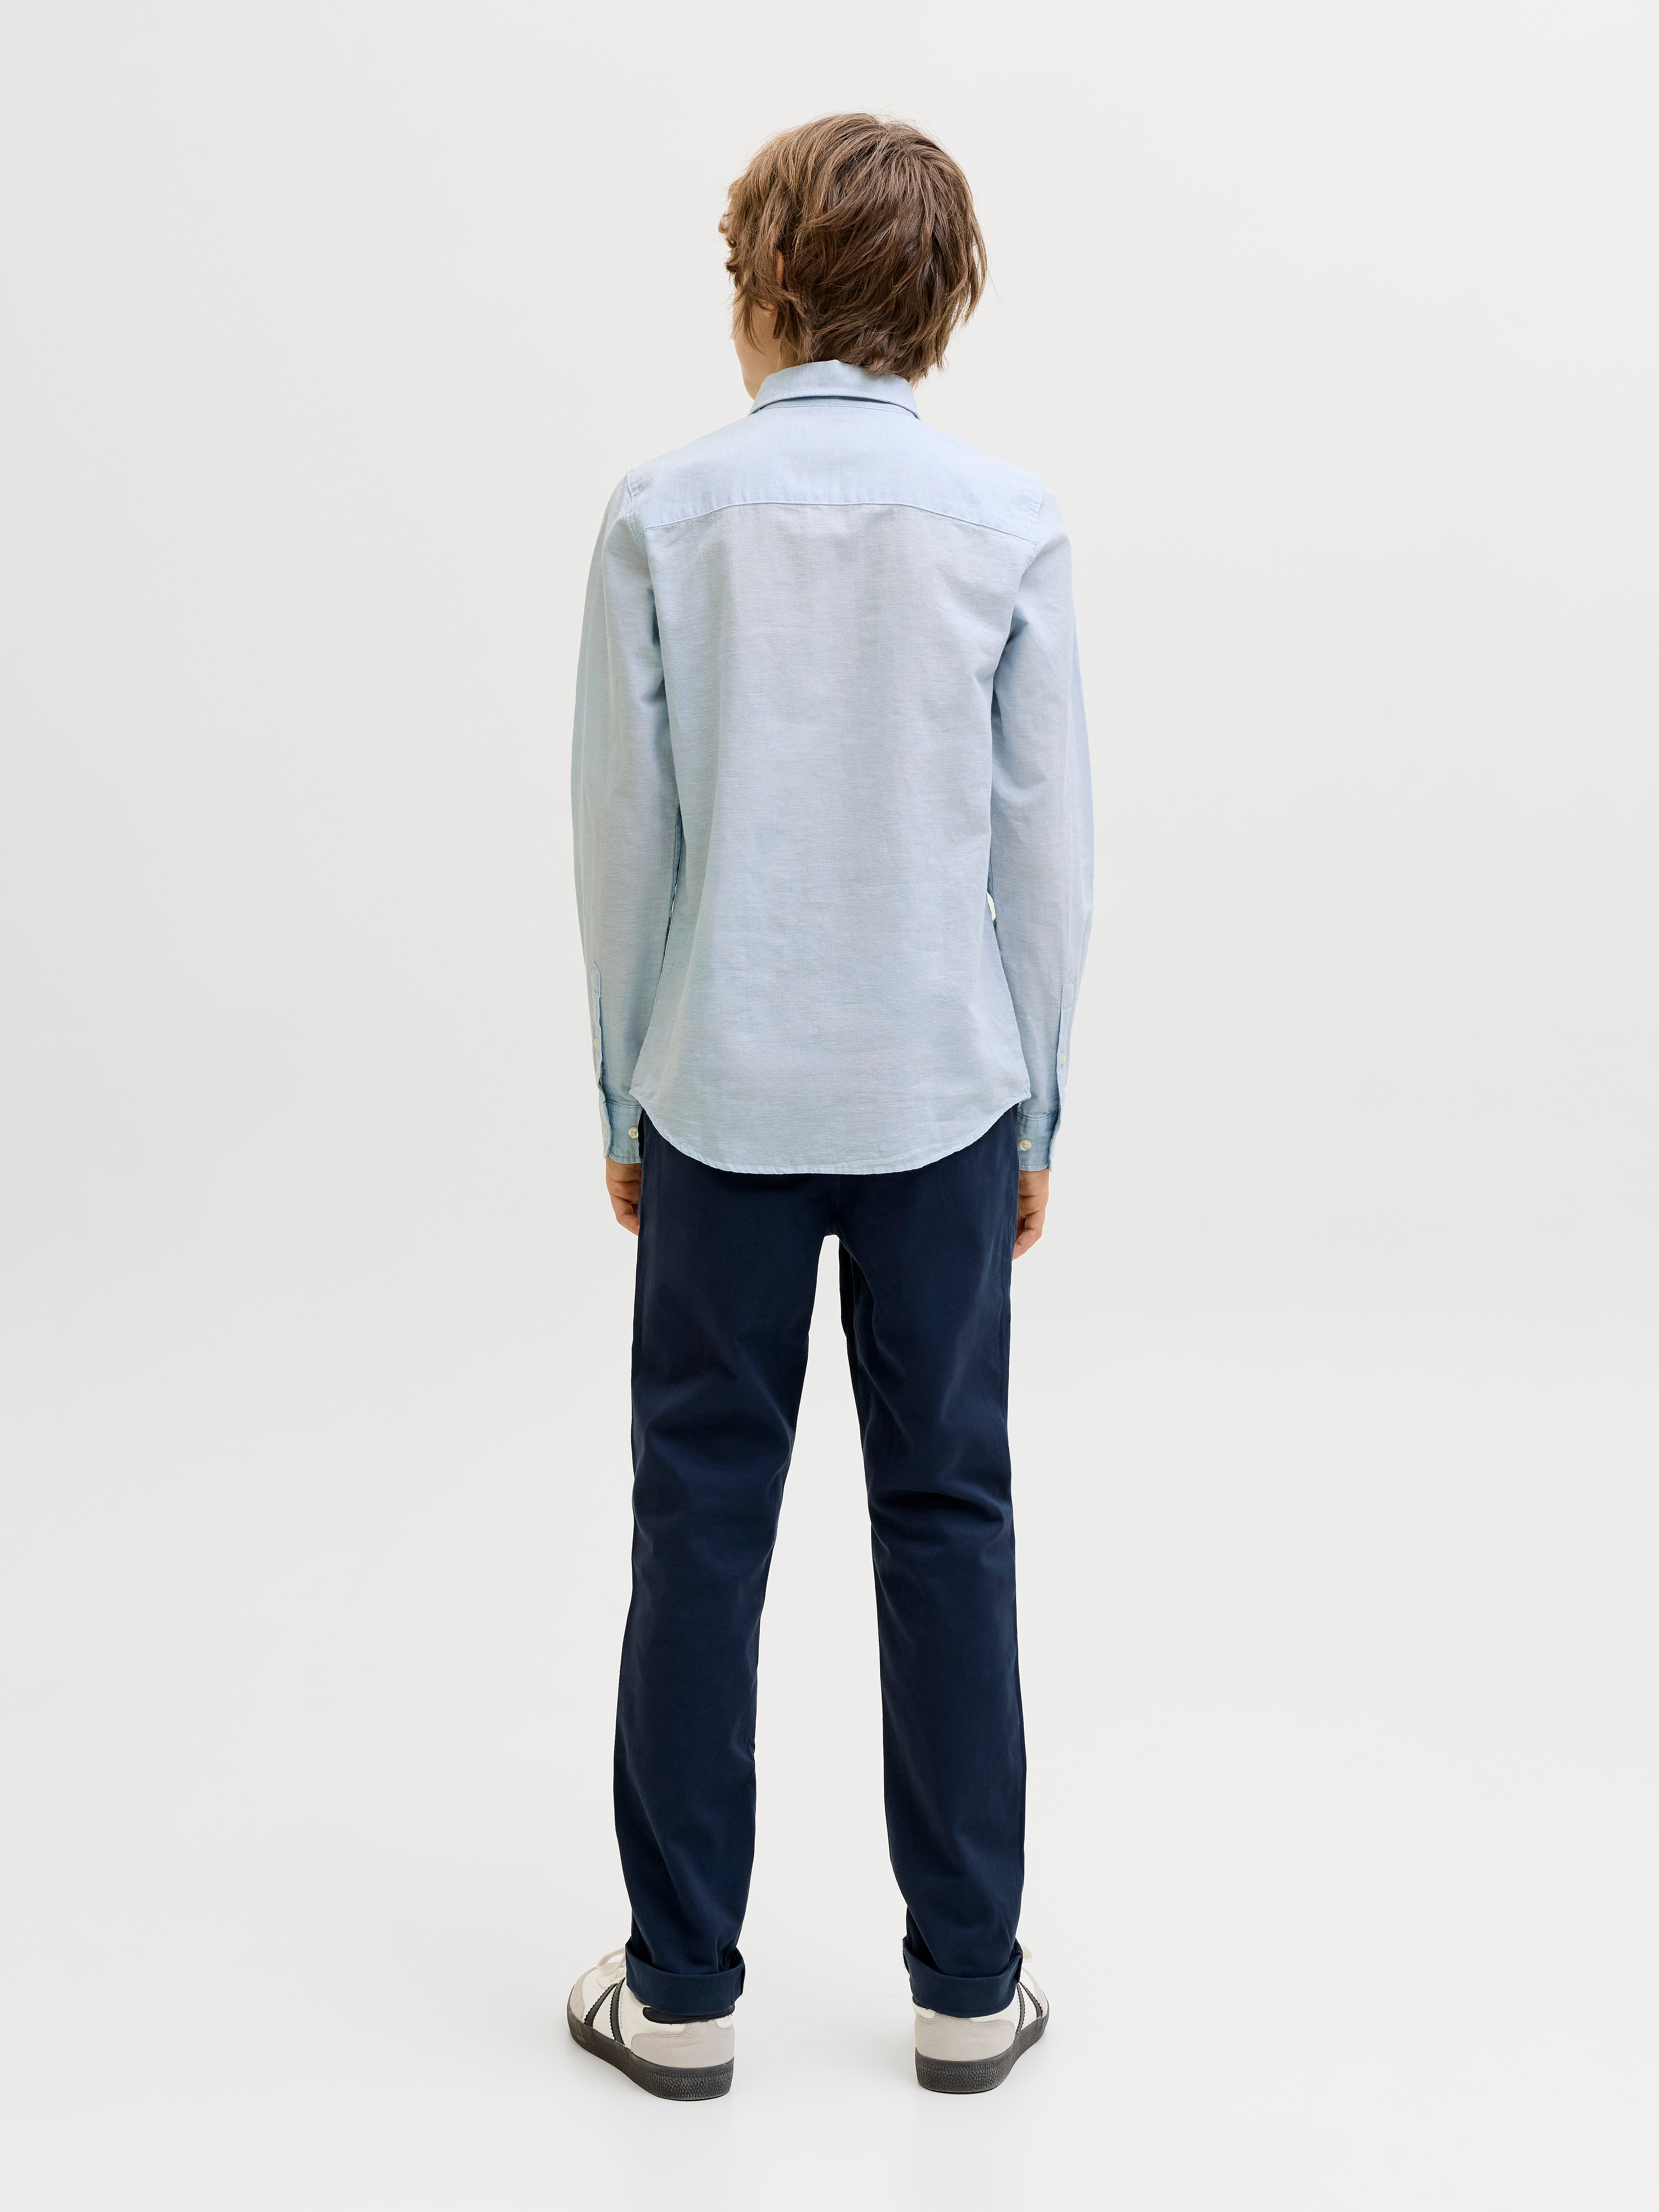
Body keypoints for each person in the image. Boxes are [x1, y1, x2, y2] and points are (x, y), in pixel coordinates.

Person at [565, 113, 1092, 2100]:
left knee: (701, 1521)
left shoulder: (664, 514)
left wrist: (627, 1083)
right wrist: (1037, 1110)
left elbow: (626, 842)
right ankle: (968, 1984)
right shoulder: (1007, 521)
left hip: (724, 1091)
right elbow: (1046, 857)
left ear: (763, 290)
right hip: (943, 1093)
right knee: (948, 1515)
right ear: (940, 309)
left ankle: (680, 1989)